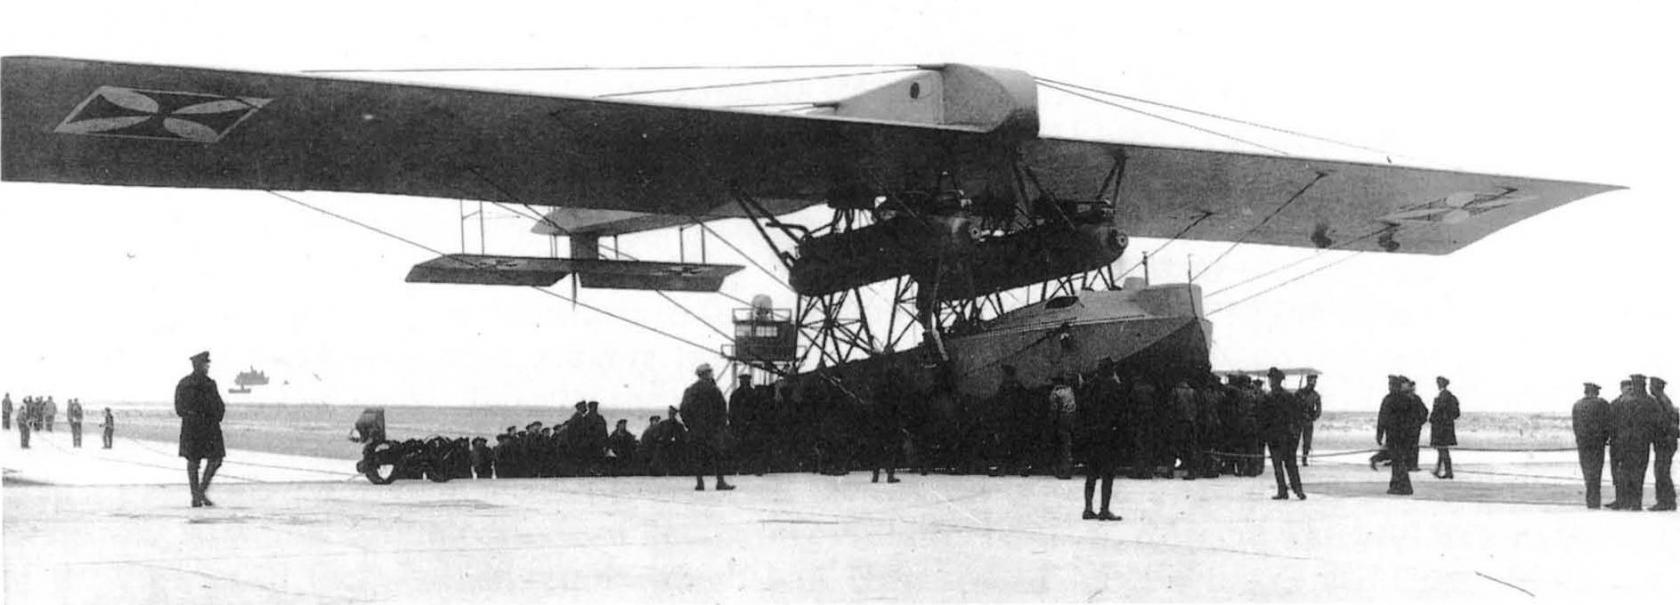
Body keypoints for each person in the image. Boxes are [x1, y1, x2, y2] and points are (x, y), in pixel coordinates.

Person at [176, 351, 226, 508]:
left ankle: (198, 493)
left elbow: (219, 405)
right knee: (194, 461)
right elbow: (179, 407)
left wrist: (216, 416)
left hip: (204, 427)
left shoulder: (209, 383)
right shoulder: (186, 383)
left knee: (214, 460)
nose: (207, 367)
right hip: (199, 427)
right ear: (198, 365)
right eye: (205, 364)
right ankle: (197, 495)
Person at [1079, 360, 1125, 521]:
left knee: (1091, 473)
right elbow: (1120, 412)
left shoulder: (1088, 386)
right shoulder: (1114, 386)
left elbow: (1082, 408)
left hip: (1091, 435)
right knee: (1107, 474)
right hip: (1108, 436)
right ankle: (1104, 509)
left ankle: (1087, 508)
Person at [1609, 374, 1661, 511]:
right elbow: (1657, 423)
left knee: (1624, 471)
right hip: (1642, 443)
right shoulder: (1651, 401)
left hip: (1624, 442)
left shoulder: (1623, 401)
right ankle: (1636, 503)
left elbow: (1613, 422)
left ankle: (1624, 501)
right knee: (1639, 472)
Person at [679, 364, 733, 491]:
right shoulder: (714, 389)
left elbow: (683, 410)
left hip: (697, 430)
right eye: (709, 372)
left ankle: (700, 483)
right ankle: (720, 482)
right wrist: (721, 426)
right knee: (718, 455)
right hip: (713, 430)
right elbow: (722, 409)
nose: (711, 374)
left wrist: (690, 425)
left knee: (698, 456)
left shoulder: (691, 390)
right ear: (705, 374)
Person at [1258, 368, 1306, 500]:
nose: (1271, 382)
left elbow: (1264, 419)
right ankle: (1296, 490)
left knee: (1280, 465)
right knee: (1288, 465)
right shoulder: (1287, 397)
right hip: (1284, 437)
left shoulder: (1270, 398)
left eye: (1272, 380)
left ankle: (1285, 490)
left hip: (1278, 437)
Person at [1571, 383, 1613, 509]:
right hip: (1597, 443)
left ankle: (1591, 501)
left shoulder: (1577, 405)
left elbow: (1575, 425)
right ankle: (1594, 500)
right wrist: (1606, 438)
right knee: (1596, 471)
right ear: (1596, 392)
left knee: (1587, 471)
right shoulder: (1602, 404)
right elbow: (1608, 423)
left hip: (1583, 443)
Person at [1648, 377, 1676, 511]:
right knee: (1663, 471)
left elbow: (1661, 423)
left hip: (1664, 441)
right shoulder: (1665, 400)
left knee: (1661, 472)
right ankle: (1669, 501)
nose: (1649, 388)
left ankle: (1664, 501)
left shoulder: (1659, 401)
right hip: (1668, 441)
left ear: (1655, 387)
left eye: (1651, 385)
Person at [1429, 377, 1460, 479]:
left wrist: (1433, 419)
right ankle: (1439, 470)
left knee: (1442, 449)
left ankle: (1448, 472)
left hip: (1440, 427)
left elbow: (1438, 412)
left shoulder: (1442, 397)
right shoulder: (1451, 397)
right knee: (1442, 449)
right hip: (1447, 427)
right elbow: (1456, 414)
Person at [1049, 372, 1078, 479]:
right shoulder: (1069, 390)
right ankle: (1069, 469)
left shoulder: (1056, 392)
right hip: (1071, 418)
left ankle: (1063, 470)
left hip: (1062, 419)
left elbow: (1054, 409)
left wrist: (1052, 422)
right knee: (1068, 444)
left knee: (1061, 445)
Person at [1298, 375, 1322, 467]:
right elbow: (1293, 405)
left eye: (1315, 382)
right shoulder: (1300, 393)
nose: (1314, 383)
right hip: (1299, 420)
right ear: (1308, 381)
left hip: (1308, 421)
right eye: (1312, 381)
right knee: (1294, 440)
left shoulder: (1316, 395)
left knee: (1307, 441)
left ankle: (1304, 459)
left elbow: (1319, 410)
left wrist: (1313, 417)